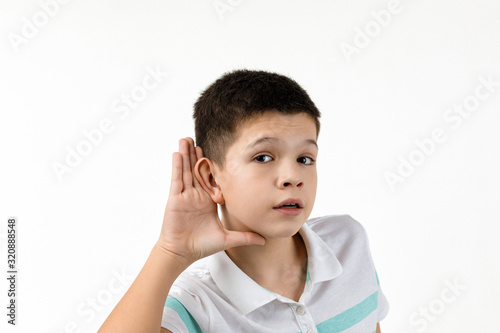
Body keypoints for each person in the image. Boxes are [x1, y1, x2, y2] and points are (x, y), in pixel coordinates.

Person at [98, 69, 389, 332]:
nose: (292, 177)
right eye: (263, 157)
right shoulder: (196, 304)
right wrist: (170, 252)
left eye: (305, 158)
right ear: (212, 179)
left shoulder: (348, 242)